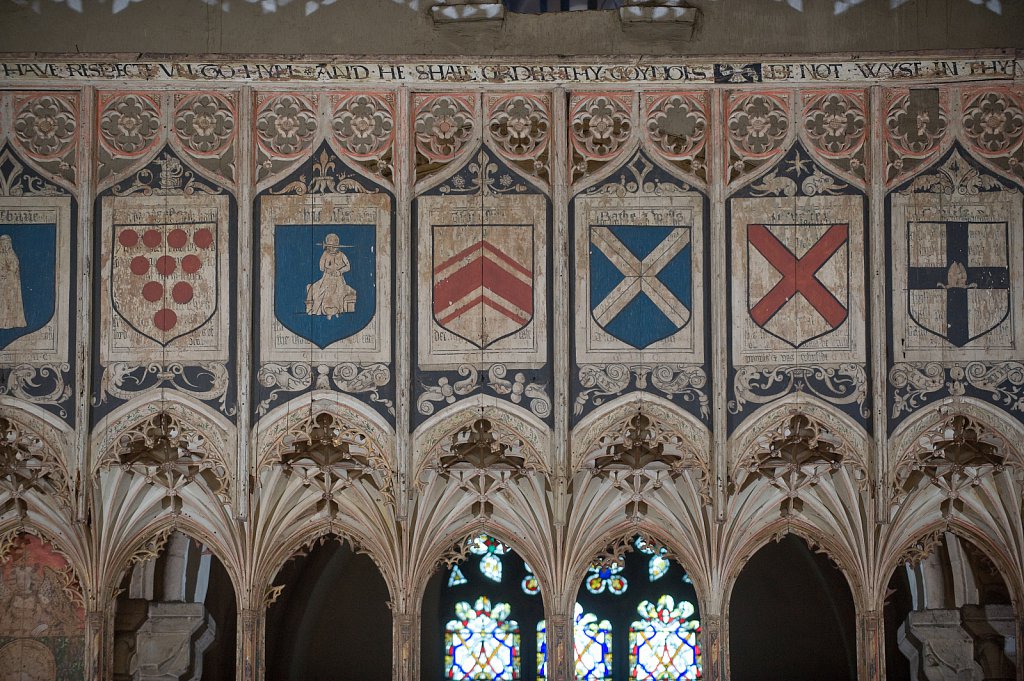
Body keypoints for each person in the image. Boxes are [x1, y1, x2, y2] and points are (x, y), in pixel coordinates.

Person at [305, 233, 356, 319]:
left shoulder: (342, 255)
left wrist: (340, 271)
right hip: (327, 278)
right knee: (319, 291)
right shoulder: (325, 254)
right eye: (331, 244)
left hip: (339, 278)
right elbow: (321, 267)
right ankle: (323, 309)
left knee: (338, 292)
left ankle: (336, 310)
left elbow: (348, 266)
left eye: (335, 243)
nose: (333, 247)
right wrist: (329, 271)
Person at [0, 235, 27, 329]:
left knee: (11, 302)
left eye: (6, 243)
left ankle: (11, 322)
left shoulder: (12, 255)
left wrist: (6, 272)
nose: (5, 245)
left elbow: (13, 268)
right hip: (2, 284)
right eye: (3, 243)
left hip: (11, 284)